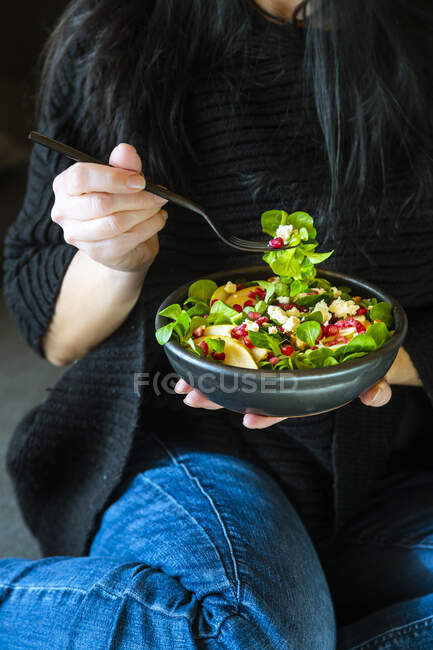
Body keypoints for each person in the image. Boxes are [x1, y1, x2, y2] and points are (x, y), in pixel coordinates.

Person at [2, 0, 433, 647]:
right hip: (180, 437)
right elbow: (56, 334)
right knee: (252, 629)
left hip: (391, 465)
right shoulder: (118, 30)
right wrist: (114, 260)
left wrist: (365, 361)